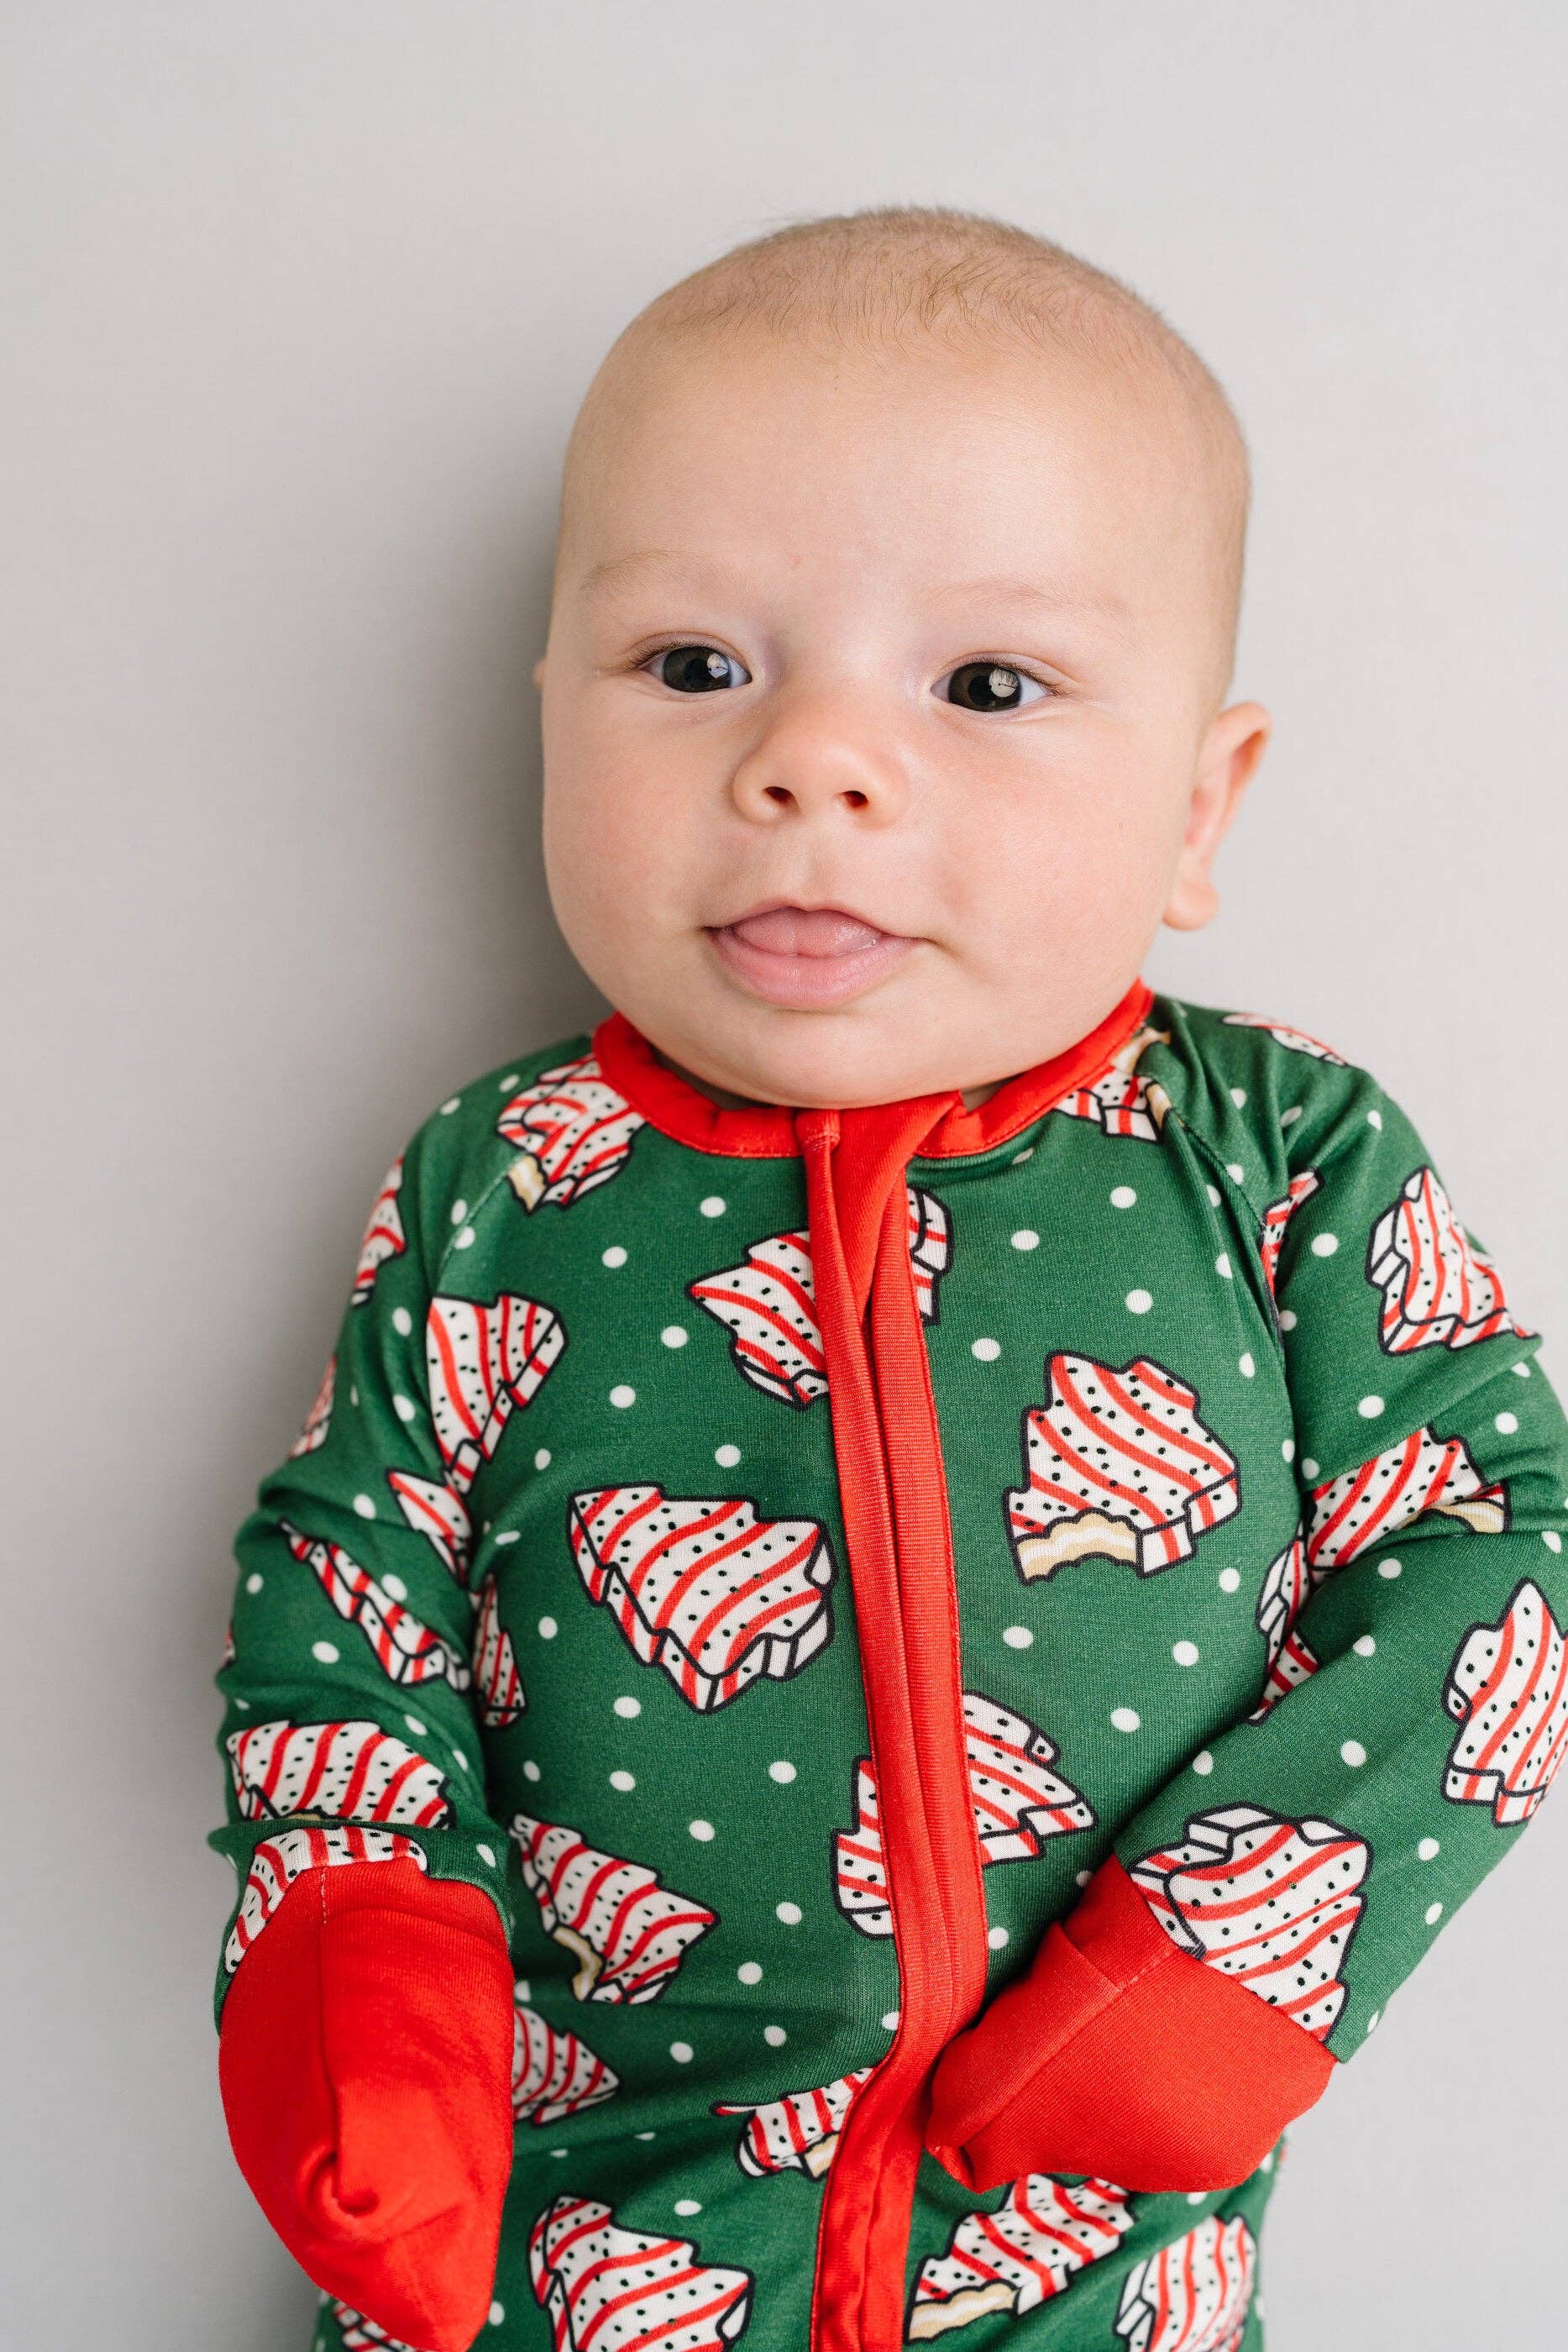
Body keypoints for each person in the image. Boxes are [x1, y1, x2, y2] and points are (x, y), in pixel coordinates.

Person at [208, 205, 1568, 2352]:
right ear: (550, 722)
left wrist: (1237, 1949)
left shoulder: (1277, 1155)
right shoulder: (506, 1179)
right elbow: (344, 1591)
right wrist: (363, 1975)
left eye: (986, 685)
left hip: (1093, 2270)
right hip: (549, 2269)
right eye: (693, 666)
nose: (810, 761)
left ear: (1196, 808)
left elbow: (1494, 1554)